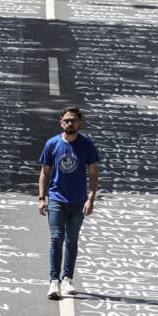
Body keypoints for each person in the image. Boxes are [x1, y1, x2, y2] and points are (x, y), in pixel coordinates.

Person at [38, 107, 100, 299]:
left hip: (78, 201)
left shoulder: (87, 146)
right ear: (61, 123)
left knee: (71, 241)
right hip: (57, 198)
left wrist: (91, 198)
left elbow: (93, 173)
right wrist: (42, 198)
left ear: (79, 123)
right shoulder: (52, 144)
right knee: (56, 239)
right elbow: (45, 172)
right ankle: (54, 281)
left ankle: (67, 279)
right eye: (66, 120)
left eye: (73, 120)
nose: (70, 124)